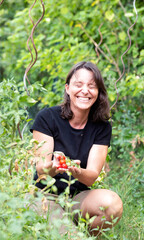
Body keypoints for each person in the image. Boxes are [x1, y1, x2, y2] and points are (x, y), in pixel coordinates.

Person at [30, 61, 123, 236]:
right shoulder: (47, 118)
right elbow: (41, 171)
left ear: (98, 92)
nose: (85, 91)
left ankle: (85, 232)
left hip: (78, 197)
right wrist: (55, 167)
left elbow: (91, 177)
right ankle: (71, 233)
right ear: (67, 88)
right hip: (45, 194)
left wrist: (76, 171)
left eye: (92, 86)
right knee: (69, 237)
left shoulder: (102, 127)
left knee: (113, 205)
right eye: (78, 85)